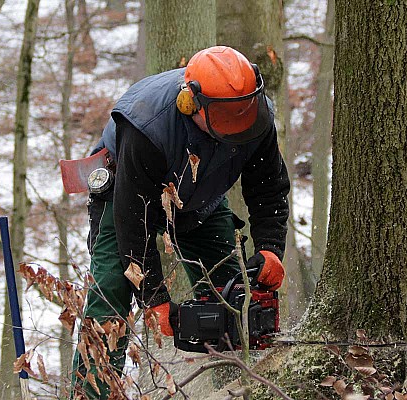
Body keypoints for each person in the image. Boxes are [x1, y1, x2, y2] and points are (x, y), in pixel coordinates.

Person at [72, 45, 290, 399]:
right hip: (126, 198)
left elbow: (268, 187)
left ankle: (238, 387)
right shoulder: (148, 126)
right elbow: (134, 224)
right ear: (192, 103)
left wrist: (270, 248)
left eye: (242, 111)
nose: (236, 123)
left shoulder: (257, 117)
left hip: (200, 200)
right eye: (224, 115)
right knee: (111, 291)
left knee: (232, 290)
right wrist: (154, 296)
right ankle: (91, 393)